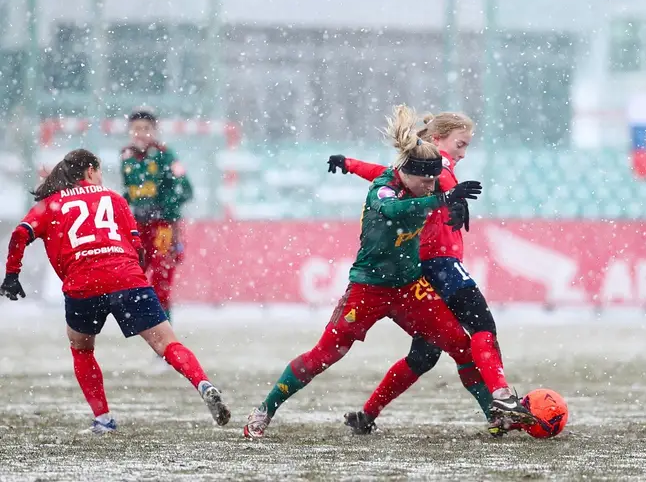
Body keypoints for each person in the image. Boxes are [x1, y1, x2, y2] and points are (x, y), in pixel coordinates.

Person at [243, 105, 531, 438]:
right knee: (324, 356)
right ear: (406, 174)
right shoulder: (384, 191)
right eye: (425, 181)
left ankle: (496, 417)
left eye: (433, 181)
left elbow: (427, 193)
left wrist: (446, 197)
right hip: (369, 291)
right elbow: (394, 209)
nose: (430, 186)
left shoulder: (422, 183)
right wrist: (443, 199)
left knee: (461, 347)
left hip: (410, 289)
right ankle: (266, 409)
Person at [0, 149, 229, 435]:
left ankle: (103, 418)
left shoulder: (51, 204)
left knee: (82, 349)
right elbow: (137, 246)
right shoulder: (115, 199)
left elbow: (21, 233)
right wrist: (131, 274)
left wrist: (12, 274)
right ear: (91, 171)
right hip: (127, 278)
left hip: (83, 284)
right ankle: (202, 383)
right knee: (166, 343)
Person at [328, 111, 527, 436]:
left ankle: (366, 415)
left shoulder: (414, 170)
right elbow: (444, 177)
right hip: (440, 265)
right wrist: (451, 200)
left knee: (424, 356)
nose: (462, 152)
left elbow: (383, 173)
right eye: (460, 144)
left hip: (418, 270)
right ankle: (501, 398)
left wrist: (349, 163)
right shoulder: (441, 168)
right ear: (437, 140)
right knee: (482, 326)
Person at [121, 110, 193, 324]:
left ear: (155, 131)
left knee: (162, 275)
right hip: (138, 226)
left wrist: (163, 207)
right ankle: (140, 321)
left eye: (145, 129)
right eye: (136, 129)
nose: (140, 133)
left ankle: (164, 327)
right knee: (134, 272)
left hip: (163, 226)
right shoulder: (126, 157)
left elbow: (186, 189)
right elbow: (130, 192)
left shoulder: (166, 156)